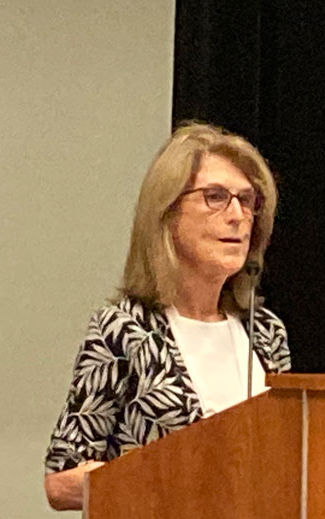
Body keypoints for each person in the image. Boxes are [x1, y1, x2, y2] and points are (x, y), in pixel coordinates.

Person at [43, 122, 291, 511]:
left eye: (247, 200)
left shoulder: (266, 332)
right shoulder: (125, 330)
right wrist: (166, 474)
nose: (238, 216)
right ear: (167, 213)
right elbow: (61, 482)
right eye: (215, 197)